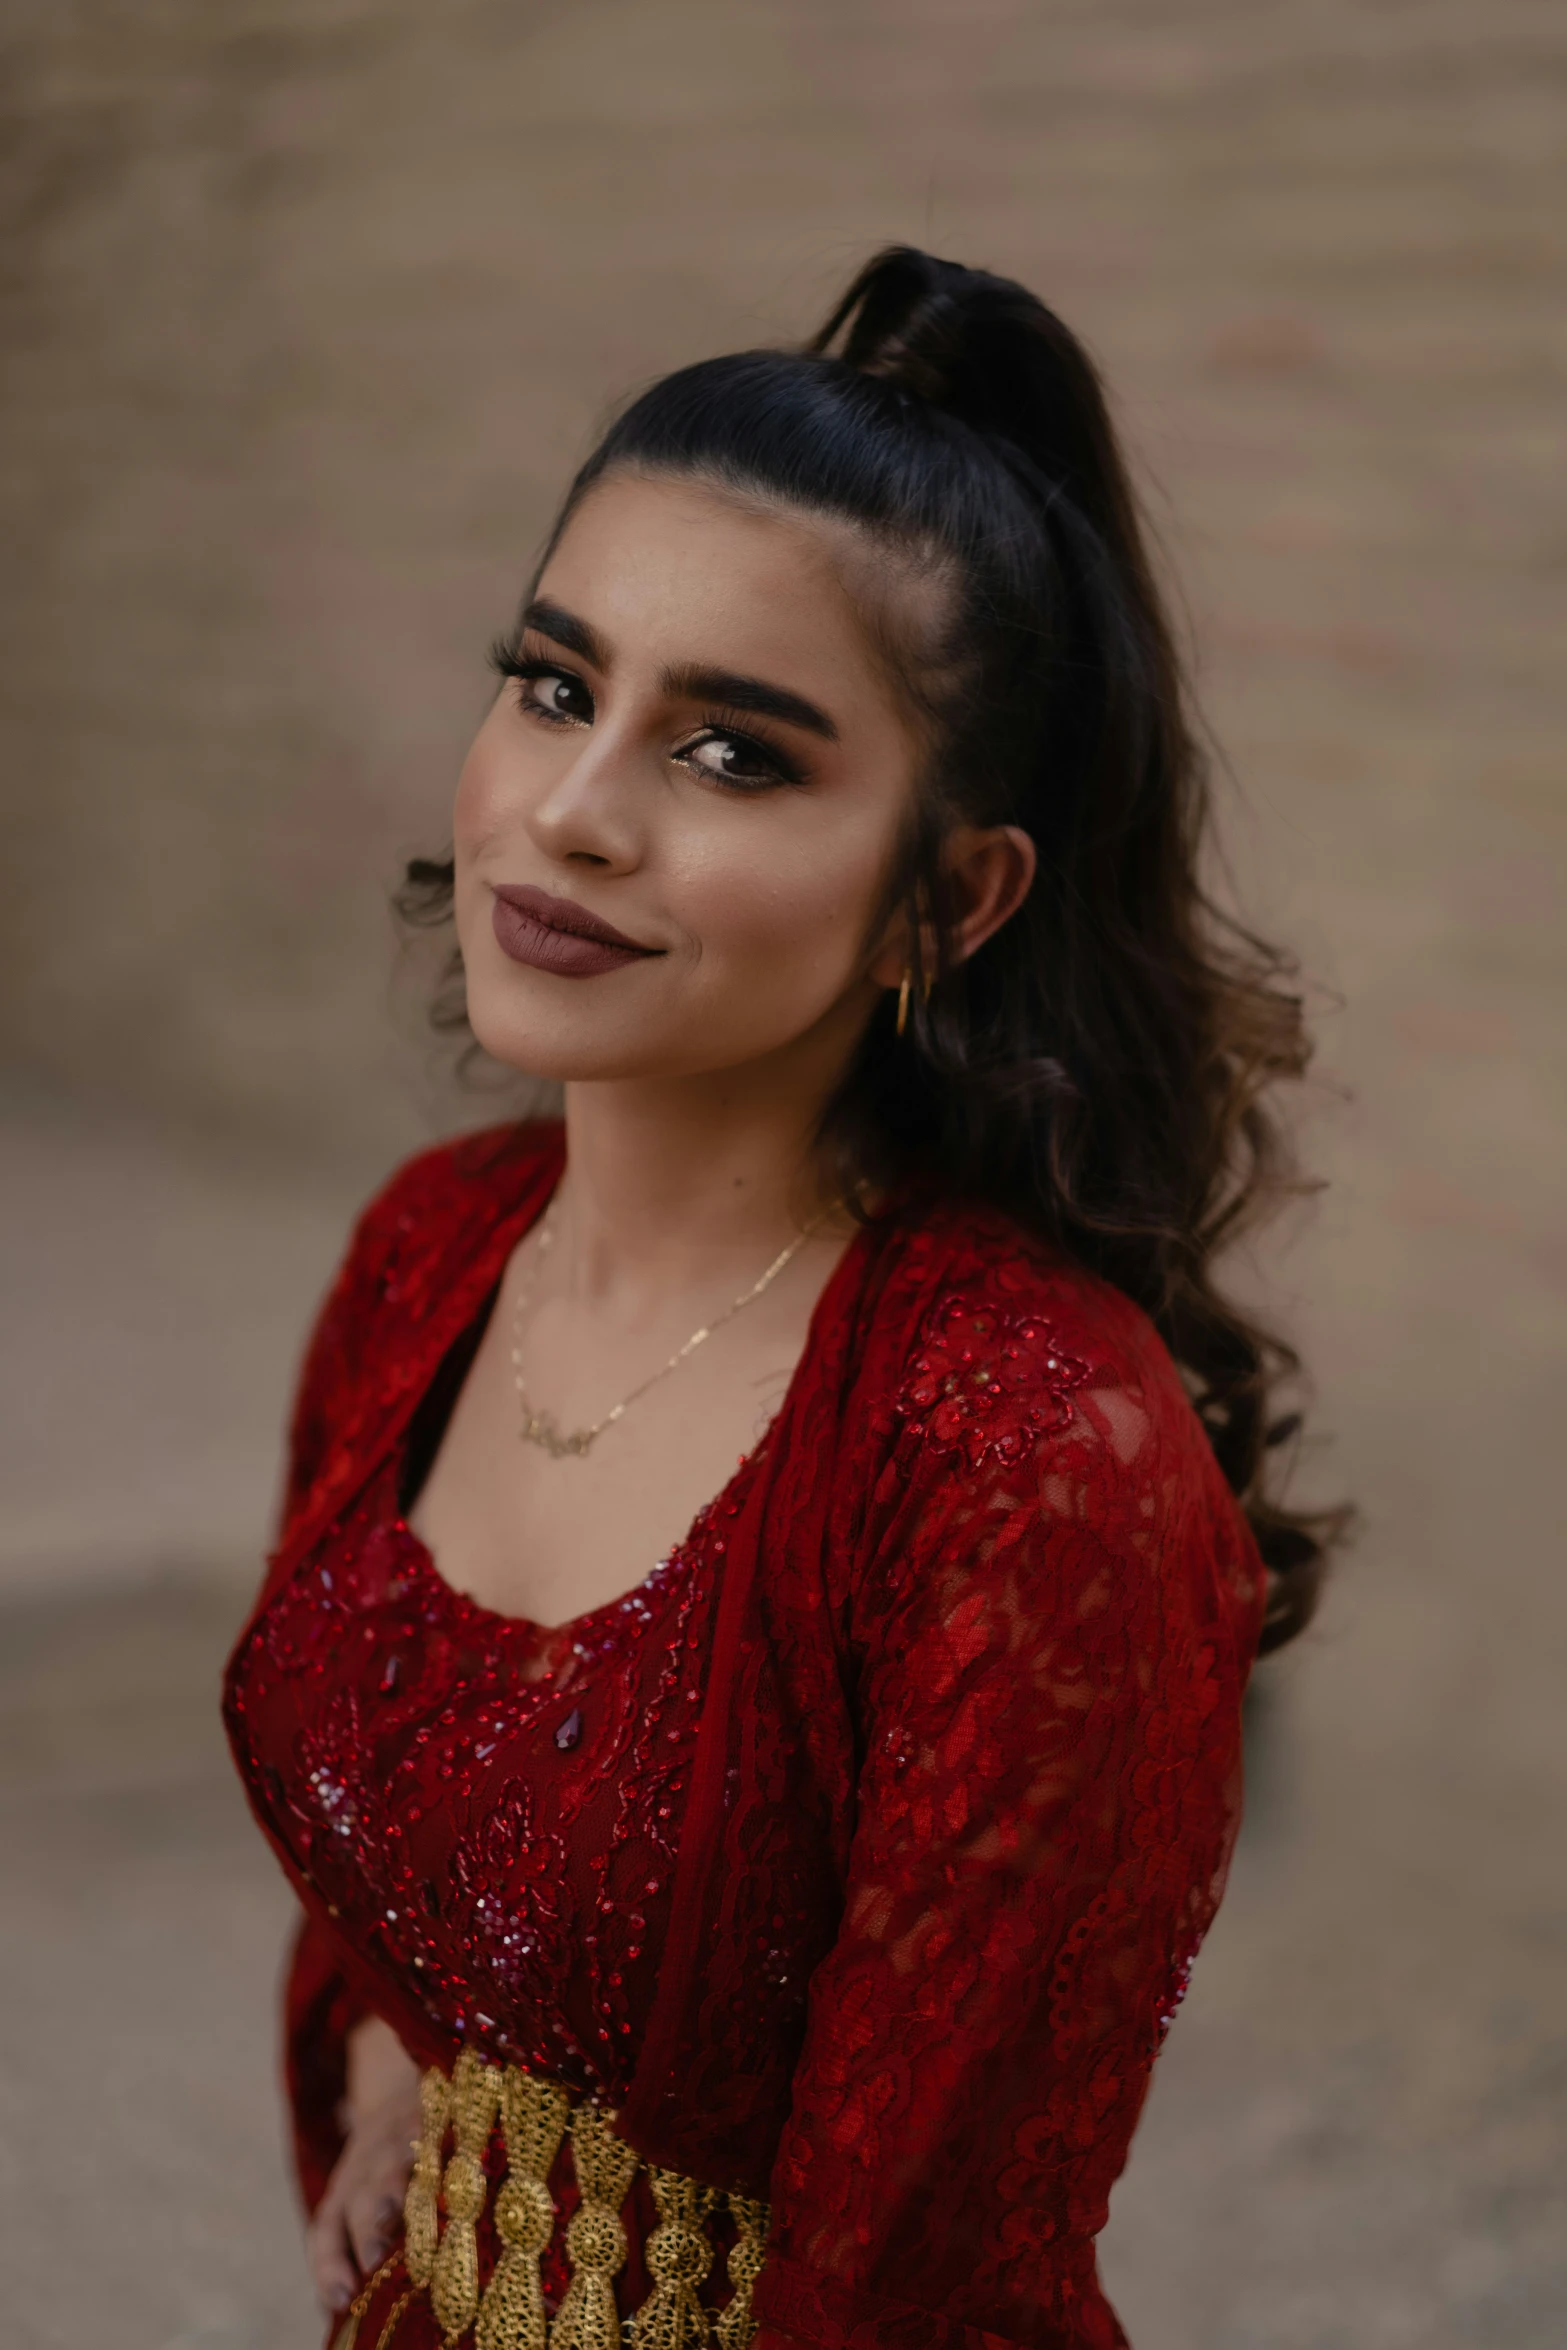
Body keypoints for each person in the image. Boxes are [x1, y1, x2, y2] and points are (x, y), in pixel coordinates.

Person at [223, 246, 1336, 2350]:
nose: (571, 808)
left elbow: (931, 2270)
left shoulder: (1022, 1451)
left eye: (734, 754)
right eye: (555, 682)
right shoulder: (429, 1250)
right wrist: (403, 2063)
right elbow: (380, 1866)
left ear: (949, 893)